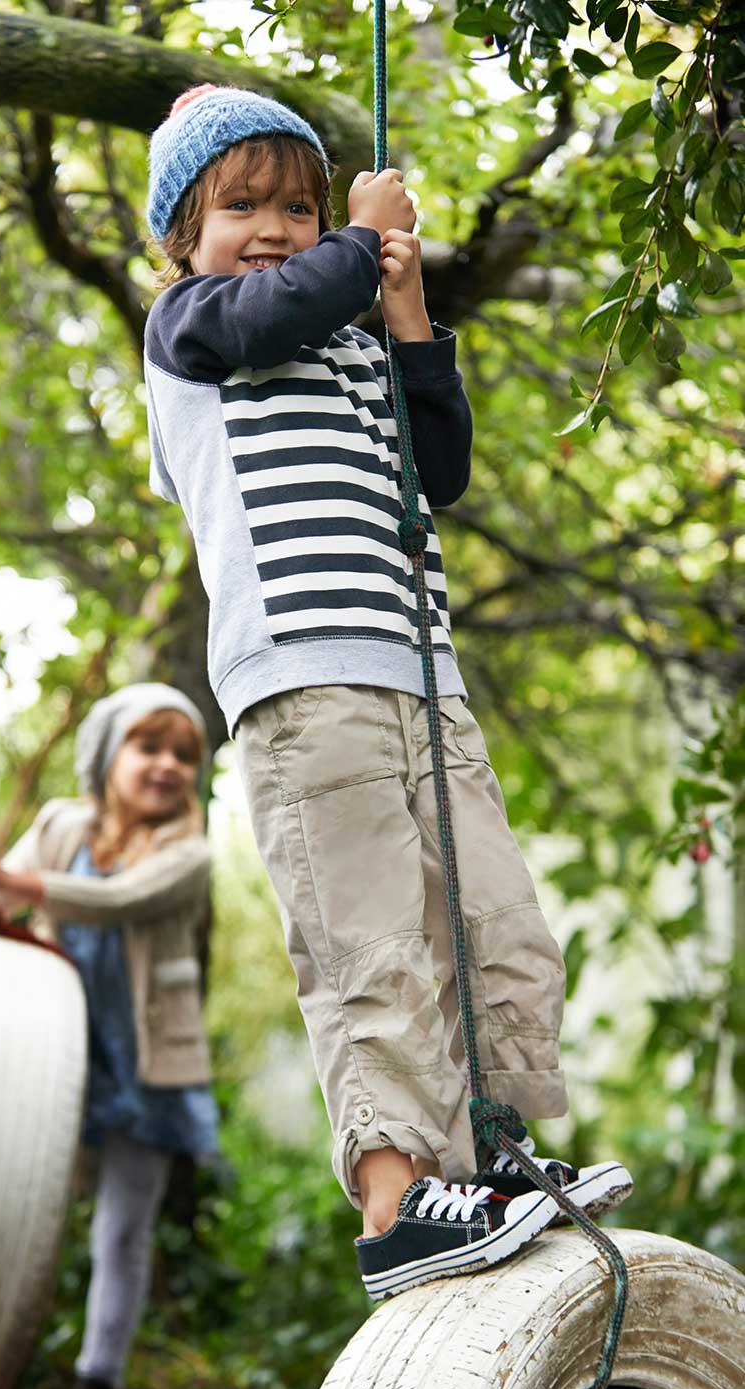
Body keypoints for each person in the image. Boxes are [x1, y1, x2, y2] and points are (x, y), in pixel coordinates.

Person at [142, 85, 632, 1301]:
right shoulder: (196, 328)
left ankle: (503, 1156)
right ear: (181, 239)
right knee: (372, 944)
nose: (273, 227)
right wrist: (361, 242)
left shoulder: (350, 334)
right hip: (308, 688)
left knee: (500, 935)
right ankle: (397, 1196)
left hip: (422, 677)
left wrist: (409, 320)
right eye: (239, 205)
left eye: (296, 207)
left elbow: (443, 465)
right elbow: (274, 309)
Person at [0, 683, 218, 1389]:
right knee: (15, 1209)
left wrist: (8, 879)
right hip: (49, 1056)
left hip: (144, 1072)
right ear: (107, 756)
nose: (165, 766)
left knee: (122, 1233)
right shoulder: (63, 825)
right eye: (148, 747)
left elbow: (114, 902)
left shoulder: (188, 853)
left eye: (183, 756)